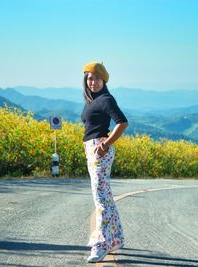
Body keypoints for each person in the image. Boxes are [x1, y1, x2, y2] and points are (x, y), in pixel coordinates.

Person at [81, 61, 129, 263]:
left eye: (97, 78)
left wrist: (105, 145)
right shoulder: (92, 100)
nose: (93, 82)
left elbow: (122, 123)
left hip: (99, 150)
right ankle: (115, 238)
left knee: (100, 199)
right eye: (90, 78)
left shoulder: (106, 99)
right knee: (105, 197)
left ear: (104, 80)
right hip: (93, 150)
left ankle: (100, 245)